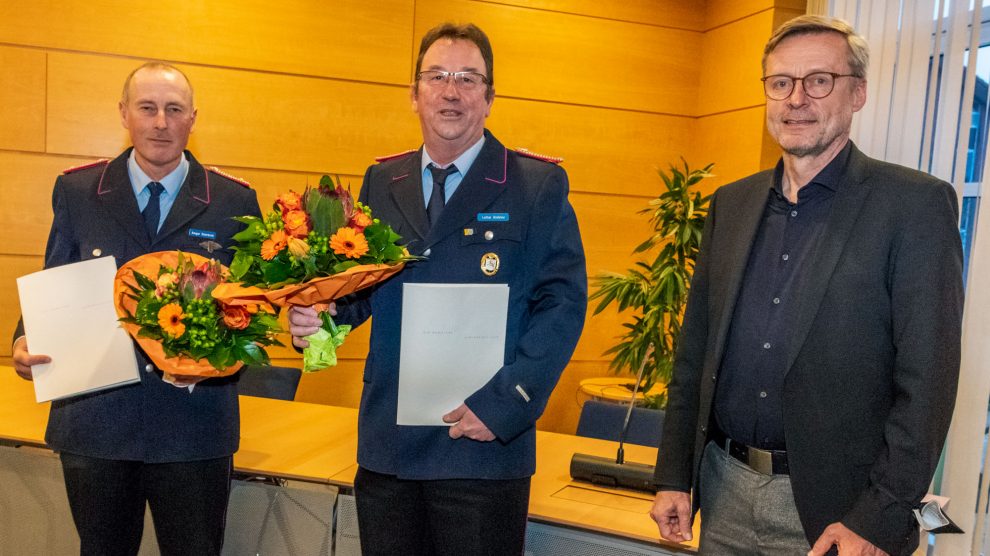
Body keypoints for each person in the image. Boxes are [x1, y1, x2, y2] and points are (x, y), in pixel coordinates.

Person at [649, 15, 963, 556]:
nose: (796, 99)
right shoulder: (732, 203)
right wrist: (675, 473)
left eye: (818, 81)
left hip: (837, 514)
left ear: (857, 92)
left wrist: (877, 518)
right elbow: (693, 355)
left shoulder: (914, 207)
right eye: (780, 83)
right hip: (722, 491)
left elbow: (927, 386)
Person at [289, 22, 587, 556]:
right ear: (415, 93)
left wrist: (503, 406)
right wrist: (318, 326)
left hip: (482, 446)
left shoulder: (535, 184)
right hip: (389, 451)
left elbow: (561, 304)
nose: (452, 92)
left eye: (469, 79)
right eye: (438, 76)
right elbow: (361, 287)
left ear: (490, 98)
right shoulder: (383, 181)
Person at [11, 62, 261, 555]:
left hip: (193, 428)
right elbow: (56, 276)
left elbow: (252, 310)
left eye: (174, 110)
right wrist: (25, 339)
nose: (160, 123)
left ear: (194, 118)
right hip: (96, 421)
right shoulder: (79, 190)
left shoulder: (234, 200)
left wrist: (218, 357)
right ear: (124, 114)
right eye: (147, 109)